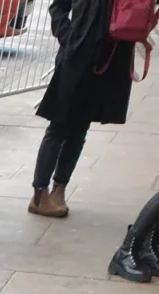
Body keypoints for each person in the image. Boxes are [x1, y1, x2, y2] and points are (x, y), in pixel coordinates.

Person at [29, 0, 134, 219]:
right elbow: (58, 7)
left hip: (110, 57)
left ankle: (59, 189)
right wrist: (69, 38)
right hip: (77, 54)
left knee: (80, 128)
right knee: (59, 125)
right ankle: (39, 194)